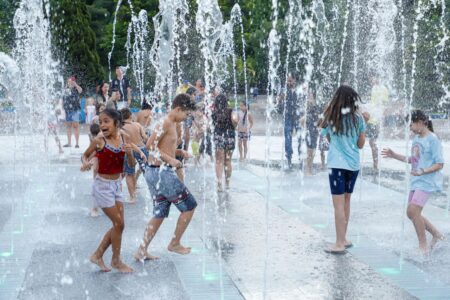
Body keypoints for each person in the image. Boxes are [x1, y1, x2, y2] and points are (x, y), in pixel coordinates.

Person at [134, 93, 197, 261]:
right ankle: (175, 243)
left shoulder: (172, 123)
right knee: (190, 206)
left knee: (160, 212)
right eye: (186, 114)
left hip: (155, 172)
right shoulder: (166, 122)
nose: (186, 118)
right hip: (162, 172)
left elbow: (162, 147)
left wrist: (178, 152)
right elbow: (149, 146)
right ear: (178, 109)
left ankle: (141, 250)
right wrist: (171, 160)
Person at [382, 110, 444, 255]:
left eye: (411, 123)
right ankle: (437, 235)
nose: (409, 127)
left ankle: (423, 246)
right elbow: (414, 160)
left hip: (427, 181)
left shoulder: (433, 140)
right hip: (417, 181)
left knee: (413, 211)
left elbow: (440, 164)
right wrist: (394, 155)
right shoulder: (417, 139)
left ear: (422, 122)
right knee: (412, 214)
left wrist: (423, 171)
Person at [81, 108, 135, 273]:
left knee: (119, 226)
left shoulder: (124, 137)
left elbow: (131, 164)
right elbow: (85, 155)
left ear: (116, 123)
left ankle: (98, 255)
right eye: (101, 122)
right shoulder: (99, 140)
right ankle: (115, 261)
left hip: (117, 184)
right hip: (102, 186)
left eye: (106, 121)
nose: (102, 125)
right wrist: (86, 163)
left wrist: (130, 154)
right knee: (119, 223)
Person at [319, 85, 366, 254]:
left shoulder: (332, 117)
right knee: (347, 201)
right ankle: (344, 238)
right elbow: (360, 145)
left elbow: (326, 135)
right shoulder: (358, 118)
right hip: (353, 165)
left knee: (338, 205)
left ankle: (339, 243)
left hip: (337, 166)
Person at [120, 108, 147, 203]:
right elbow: (145, 137)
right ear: (130, 116)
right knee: (147, 171)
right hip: (142, 148)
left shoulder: (122, 128)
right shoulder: (138, 125)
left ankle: (132, 196)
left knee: (129, 173)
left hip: (129, 150)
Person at [363, 77, 389, 171]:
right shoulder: (374, 88)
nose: (372, 80)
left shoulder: (383, 88)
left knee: (372, 143)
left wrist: (381, 119)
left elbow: (384, 105)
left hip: (375, 120)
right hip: (370, 119)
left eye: (373, 77)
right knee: (371, 142)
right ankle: (375, 165)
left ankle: (375, 165)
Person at [212, 94, 237, 191]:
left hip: (219, 136)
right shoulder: (230, 111)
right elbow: (235, 121)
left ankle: (219, 184)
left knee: (219, 161)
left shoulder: (214, 112)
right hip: (229, 136)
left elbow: (212, 124)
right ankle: (227, 183)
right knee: (228, 161)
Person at [280, 73, 302, 169]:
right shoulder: (284, 90)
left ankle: (301, 159)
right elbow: (279, 103)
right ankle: (289, 159)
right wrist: (280, 98)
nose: (288, 82)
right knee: (288, 139)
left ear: (294, 80)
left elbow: (303, 103)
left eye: (290, 80)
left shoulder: (300, 90)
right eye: (287, 80)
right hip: (288, 117)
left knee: (301, 138)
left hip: (297, 117)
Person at [299, 91, 321, 175]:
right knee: (308, 151)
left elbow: (319, 118)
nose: (309, 97)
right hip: (307, 131)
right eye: (308, 95)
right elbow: (300, 120)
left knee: (313, 150)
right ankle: (307, 169)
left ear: (314, 97)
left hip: (314, 131)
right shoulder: (304, 107)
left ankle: (310, 167)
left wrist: (319, 128)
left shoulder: (316, 107)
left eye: (310, 95)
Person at [62, 76, 82, 148]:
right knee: (68, 126)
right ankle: (69, 143)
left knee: (76, 126)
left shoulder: (76, 88)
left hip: (75, 109)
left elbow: (80, 90)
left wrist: (75, 85)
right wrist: (63, 108)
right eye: (68, 81)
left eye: (71, 81)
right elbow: (63, 98)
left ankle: (77, 143)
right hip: (67, 109)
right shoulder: (66, 89)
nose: (69, 82)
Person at [88, 123, 101, 217]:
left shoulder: (96, 140)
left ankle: (95, 208)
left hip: (98, 163)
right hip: (103, 165)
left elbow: (93, 152)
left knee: (96, 184)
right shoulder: (102, 138)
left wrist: (88, 161)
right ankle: (95, 208)